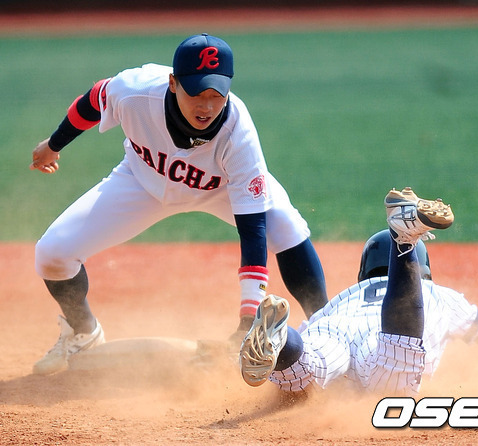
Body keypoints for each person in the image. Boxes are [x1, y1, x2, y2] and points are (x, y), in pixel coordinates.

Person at [30, 33, 328, 375]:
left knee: (287, 228)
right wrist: (54, 144)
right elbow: (94, 99)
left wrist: (248, 319)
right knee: (52, 253)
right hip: (142, 181)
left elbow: (253, 230)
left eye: (216, 95)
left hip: (219, 189)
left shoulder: (239, 133)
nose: (207, 106)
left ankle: (327, 332)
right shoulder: (136, 91)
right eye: (196, 94)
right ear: (173, 83)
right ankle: (83, 332)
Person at [239, 187, 478, 396]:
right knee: (393, 380)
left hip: (336, 326)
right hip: (381, 336)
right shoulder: (440, 295)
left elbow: (316, 328)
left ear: (364, 271)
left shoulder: (344, 298)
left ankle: (282, 340)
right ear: (423, 273)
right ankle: (404, 242)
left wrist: (292, 344)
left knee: (303, 372)